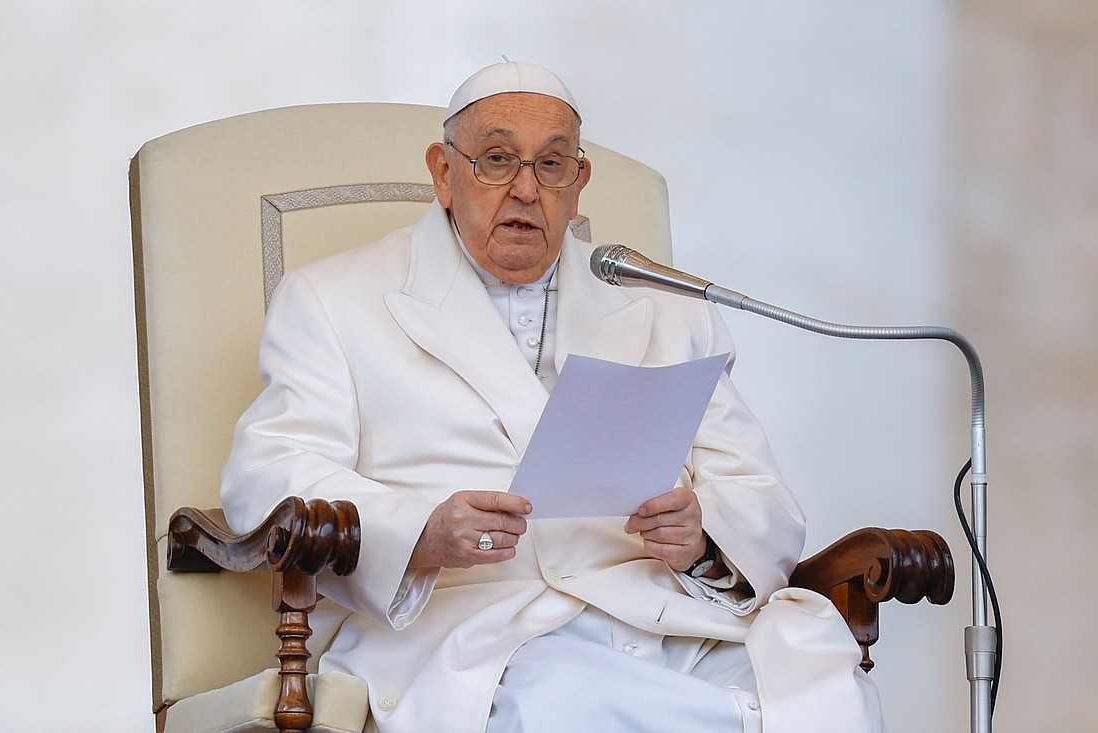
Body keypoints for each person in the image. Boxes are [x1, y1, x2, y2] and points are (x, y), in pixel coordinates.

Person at [221, 61, 885, 733]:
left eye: (552, 165)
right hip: (482, 630)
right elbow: (268, 477)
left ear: (579, 183)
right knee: (569, 705)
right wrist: (420, 530)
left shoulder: (666, 312)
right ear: (444, 173)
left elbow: (762, 495)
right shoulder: (333, 301)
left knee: (823, 688)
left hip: (671, 619)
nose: (525, 190)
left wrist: (702, 535)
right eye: (498, 160)